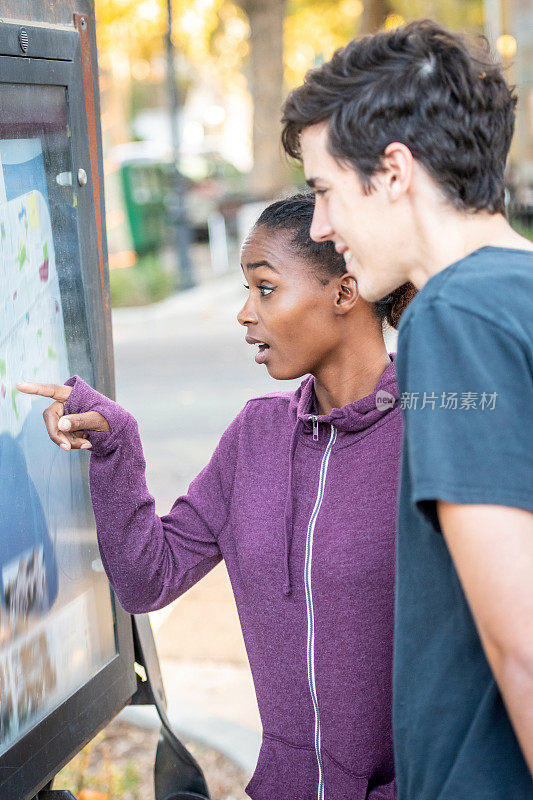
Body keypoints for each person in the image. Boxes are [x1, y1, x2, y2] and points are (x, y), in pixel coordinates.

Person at [17, 194, 415, 800]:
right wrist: (116, 445)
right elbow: (147, 579)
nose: (244, 313)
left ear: (344, 291)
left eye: (265, 288)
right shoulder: (256, 437)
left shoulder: (431, 430)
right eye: (246, 289)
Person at [280, 19, 533, 800]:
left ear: (392, 171)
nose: (320, 229)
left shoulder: (451, 317)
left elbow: (520, 636)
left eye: (324, 191)